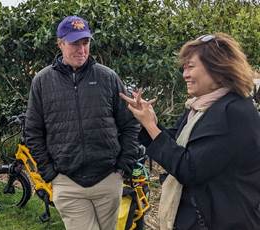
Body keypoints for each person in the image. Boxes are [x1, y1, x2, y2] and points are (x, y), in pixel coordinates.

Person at [120, 33, 260, 230]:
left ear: (217, 68)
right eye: (184, 67)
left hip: (223, 221)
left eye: (191, 67)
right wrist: (148, 123)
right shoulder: (199, 108)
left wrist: (152, 127)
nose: (184, 74)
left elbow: (189, 168)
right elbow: (177, 145)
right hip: (196, 218)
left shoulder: (234, 112)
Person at [25, 15, 140, 230]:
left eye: (85, 42)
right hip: (68, 182)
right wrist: (49, 172)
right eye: (74, 43)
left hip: (108, 179)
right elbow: (33, 131)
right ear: (60, 44)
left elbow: (129, 124)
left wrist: (123, 166)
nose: (81, 49)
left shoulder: (108, 77)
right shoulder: (42, 81)